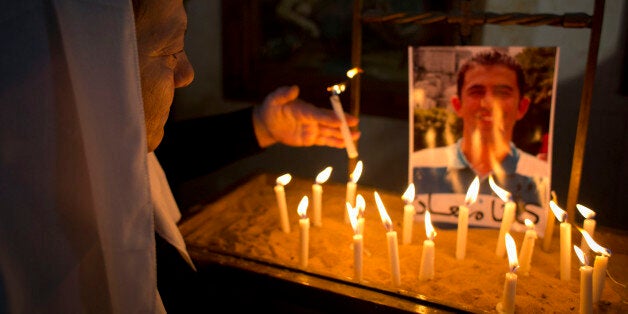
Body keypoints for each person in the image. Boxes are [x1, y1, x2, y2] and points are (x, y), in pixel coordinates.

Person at [0, 0, 359, 312]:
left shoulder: (66, 168)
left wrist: (260, 126)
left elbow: (149, 167)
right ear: (83, 69)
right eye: (170, 50)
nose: (186, 75)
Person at [410, 49, 549, 226]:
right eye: (476, 92)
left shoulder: (542, 177)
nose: (488, 103)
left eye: (502, 92)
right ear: (457, 105)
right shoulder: (418, 167)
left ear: (521, 107)